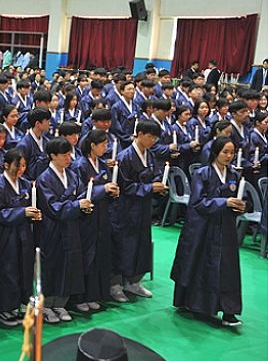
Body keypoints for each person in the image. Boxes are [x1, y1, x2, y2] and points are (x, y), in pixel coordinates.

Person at [171, 137, 247, 327]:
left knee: (227, 269)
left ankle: (229, 311)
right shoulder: (202, 173)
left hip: (226, 229)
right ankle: (196, 305)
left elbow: (241, 197)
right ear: (215, 152)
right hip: (203, 228)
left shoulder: (234, 175)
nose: (229, 156)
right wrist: (224, 202)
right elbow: (197, 203)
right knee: (200, 265)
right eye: (225, 152)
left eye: (232, 153)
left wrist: (241, 205)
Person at [36, 138, 92, 323]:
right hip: (52, 229)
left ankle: (61, 303)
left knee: (69, 265)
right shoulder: (44, 179)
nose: (69, 158)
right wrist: (77, 205)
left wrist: (84, 205)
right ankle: (46, 306)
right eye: (64, 155)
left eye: (70, 154)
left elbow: (82, 193)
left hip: (71, 226)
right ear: (53, 156)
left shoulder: (72, 175)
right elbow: (53, 207)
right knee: (52, 266)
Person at [109, 120, 166, 302]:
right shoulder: (125, 157)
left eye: (155, 138)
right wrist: (150, 188)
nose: (152, 141)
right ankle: (115, 284)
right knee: (123, 244)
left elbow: (155, 174)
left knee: (141, 242)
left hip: (143, 207)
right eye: (150, 137)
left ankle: (134, 281)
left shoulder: (149, 155)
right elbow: (125, 186)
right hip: (126, 207)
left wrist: (158, 184)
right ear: (139, 134)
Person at [0, 148, 41, 327]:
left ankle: (19, 304)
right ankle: (2, 309)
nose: (21, 169)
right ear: (6, 165)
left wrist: (34, 214)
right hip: (5, 236)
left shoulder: (26, 184)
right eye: (17, 165)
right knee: (7, 271)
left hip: (24, 234)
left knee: (23, 269)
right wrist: (23, 212)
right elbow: (0, 214)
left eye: (24, 165)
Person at [70, 130, 120, 312]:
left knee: (99, 255)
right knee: (86, 256)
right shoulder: (79, 165)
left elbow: (108, 189)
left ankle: (94, 294)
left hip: (102, 216)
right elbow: (80, 192)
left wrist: (113, 191)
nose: (106, 148)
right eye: (103, 145)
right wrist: (103, 189)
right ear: (92, 145)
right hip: (87, 217)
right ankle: (79, 297)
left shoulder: (102, 164)